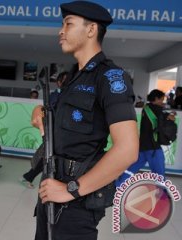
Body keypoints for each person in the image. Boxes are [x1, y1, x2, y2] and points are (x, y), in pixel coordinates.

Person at [32, 2, 139, 239]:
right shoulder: (72, 79)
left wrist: (71, 190)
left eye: (68, 24)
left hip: (75, 200)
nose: (61, 31)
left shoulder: (110, 78)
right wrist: (41, 114)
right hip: (50, 187)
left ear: (91, 30)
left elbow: (128, 150)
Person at [116, 90, 175, 186]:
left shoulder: (146, 108)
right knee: (159, 173)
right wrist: (171, 115)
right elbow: (169, 117)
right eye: (161, 99)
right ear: (156, 99)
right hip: (153, 147)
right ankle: (162, 194)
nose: (162, 102)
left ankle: (118, 185)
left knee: (132, 168)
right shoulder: (157, 109)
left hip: (143, 145)